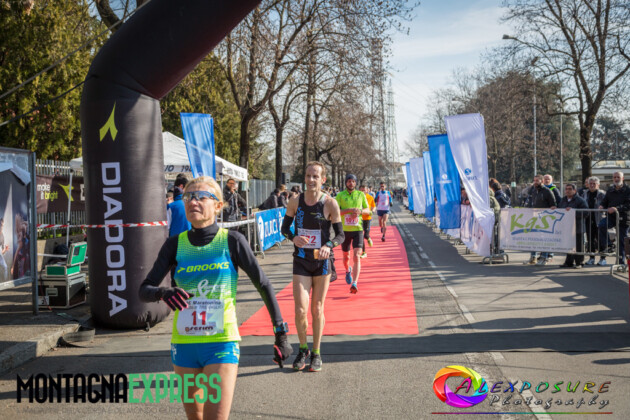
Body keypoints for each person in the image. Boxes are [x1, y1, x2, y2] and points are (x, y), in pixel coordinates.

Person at [139, 176, 292, 420]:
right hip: (184, 344)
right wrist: (164, 292)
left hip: (221, 343)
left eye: (201, 197)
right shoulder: (174, 245)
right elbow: (144, 290)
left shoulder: (232, 241)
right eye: (189, 197)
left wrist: (280, 332)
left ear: (218, 205)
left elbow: (263, 284)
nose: (193, 202)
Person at [281, 161, 344, 372]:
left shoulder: (330, 203)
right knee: (300, 309)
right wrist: (294, 237)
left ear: (322, 179)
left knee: (317, 309)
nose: (311, 180)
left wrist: (329, 245)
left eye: (315, 176)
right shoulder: (295, 201)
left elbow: (340, 235)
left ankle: (316, 352)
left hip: (321, 262)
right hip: (301, 260)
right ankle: (303, 349)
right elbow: (284, 228)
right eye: (308, 176)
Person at [335, 174, 370, 294]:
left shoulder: (361, 194)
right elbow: (335, 212)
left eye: (353, 181)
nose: (351, 183)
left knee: (356, 255)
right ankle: (347, 270)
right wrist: (349, 210)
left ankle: (354, 283)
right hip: (344, 230)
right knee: (346, 257)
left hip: (358, 229)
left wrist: (360, 211)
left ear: (356, 183)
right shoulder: (340, 195)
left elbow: (368, 210)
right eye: (349, 181)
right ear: (346, 183)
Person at [597, 171, 630, 266]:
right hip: (611, 217)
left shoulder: (628, 190)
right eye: (614, 177)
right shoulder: (610, 190)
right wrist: (602, 206)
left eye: (618, 177)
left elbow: (628, 204)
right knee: (602, 225)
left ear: (622, 178)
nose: (616, 179)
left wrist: (617, 208)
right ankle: (609, 245)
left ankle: (621, 263)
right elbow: (605, 201)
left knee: (622, 241)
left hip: (623, 218)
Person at [524, 174, 556, 265]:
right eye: (534, 180)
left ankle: (544, 257)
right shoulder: (533, 191)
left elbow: (553, 204)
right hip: (534, 218)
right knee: (533, 238)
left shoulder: (547, 191)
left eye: (537, 181)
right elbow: (531, 203)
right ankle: (533, 257)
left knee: (544, 238)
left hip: (545, 219)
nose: (535, 182)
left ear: (542, 181)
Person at [558, 184, 588, 268]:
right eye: (566, 189)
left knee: (578, 246)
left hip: (578, 227)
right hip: (567, 227)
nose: (567, 191)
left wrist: (573, 211)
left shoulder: (580, 200)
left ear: (575, 191)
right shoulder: (563, 200)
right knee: (569, 245)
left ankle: (579, 263)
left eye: (570, 189)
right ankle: (568, 262)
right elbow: (560, 209)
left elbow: (586, 212)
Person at [580, 177, 606, 265]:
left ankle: (603, 258)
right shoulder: (584, 193)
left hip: (599, 219)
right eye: (590, 183)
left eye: (594, 184)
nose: (592, 185)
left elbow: (606, 204)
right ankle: (591, 258)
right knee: (590, 239)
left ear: (598, 185)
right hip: (588, 219)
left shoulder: (602, 194)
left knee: (600, 239)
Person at [359, 185, 376, 258]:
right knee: (361, 236)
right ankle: (364, 252)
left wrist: (372, 211)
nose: (363, 191)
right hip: (359, 218)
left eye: (364, 190)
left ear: (367, 190)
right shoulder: (357, 197)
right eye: (361, 190)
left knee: (366, 235)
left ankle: (368, 237)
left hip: (367, 218)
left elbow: (374, 206)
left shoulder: (370, 197)